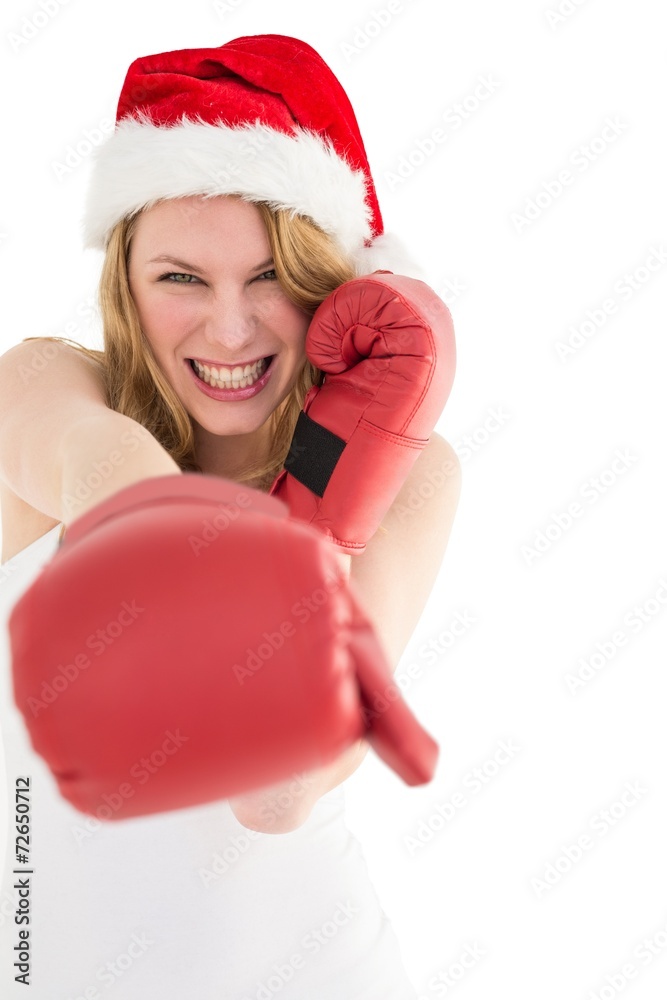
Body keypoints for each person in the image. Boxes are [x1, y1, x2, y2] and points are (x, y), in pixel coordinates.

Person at [0, 34, 461, 999]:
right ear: (125, 283)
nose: (229, 328)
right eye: (180, 278)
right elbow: (117, 486)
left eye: (269, 277)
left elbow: (276, 794)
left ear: (332, 284)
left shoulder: (411, 477)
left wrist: (330, 493)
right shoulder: (44, 385)